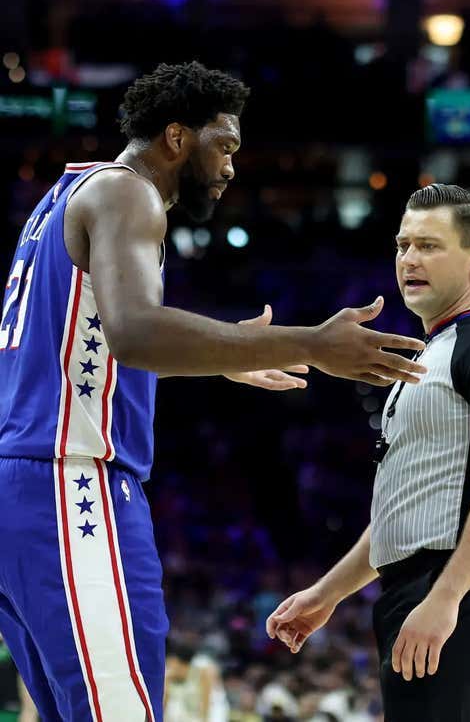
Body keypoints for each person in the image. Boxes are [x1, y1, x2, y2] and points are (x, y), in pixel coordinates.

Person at [0, 61, 428, 721]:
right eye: (224, 145)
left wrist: (220, 355)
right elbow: (135, 334)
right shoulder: (128, 194)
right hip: (70, 487)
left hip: (25, 489)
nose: (231, 166)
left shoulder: (65, 196)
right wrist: (309, 342)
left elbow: (89, 354)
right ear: (176, 137)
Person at [266, 183, 470, 722]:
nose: (409, 260)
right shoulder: (430, 353)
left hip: (455, 588)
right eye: (402, 245)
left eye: (429, 245)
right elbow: (405, 512)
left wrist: (446, 598)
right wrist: (327, 593)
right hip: (416, 586)